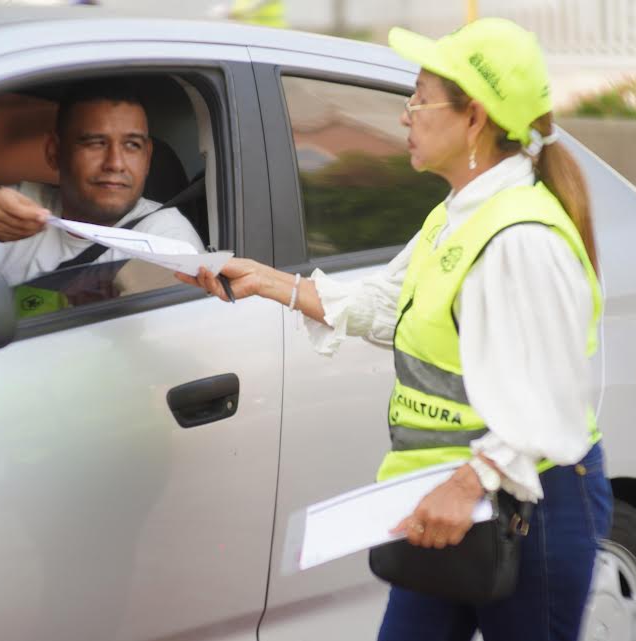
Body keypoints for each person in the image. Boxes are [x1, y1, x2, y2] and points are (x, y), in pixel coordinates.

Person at [177, 18, 613, 641]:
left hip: (526, 506)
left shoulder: (521, 239)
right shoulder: (456, 214)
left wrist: (473, 482)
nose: (405, 113)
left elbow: (553, 401)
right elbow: (391, 303)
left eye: (419, 98)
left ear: (474, 119)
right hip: (448, 498)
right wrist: (272, 283)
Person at [0, 80, 204, 286]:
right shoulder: (25, 204)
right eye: (94, 143)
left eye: (131, 145)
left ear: (148, 157)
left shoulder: (167, 238)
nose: (115, 163)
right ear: (54, 153)